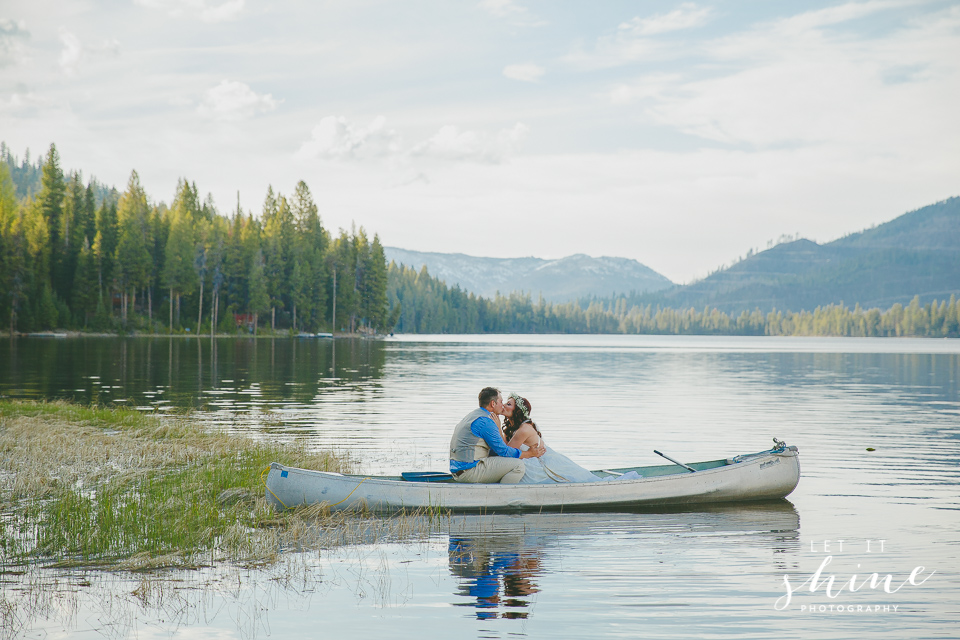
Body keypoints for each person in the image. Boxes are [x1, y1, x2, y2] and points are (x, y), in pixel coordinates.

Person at [450, 387, 545, 484]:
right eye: (501, 401)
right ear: (493, 403)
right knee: (518, 466)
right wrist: (530, 454)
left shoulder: (474, 415)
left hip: (459, 470)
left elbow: (496, 450)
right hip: (469, 472)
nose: (502, 405)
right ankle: (502, 495)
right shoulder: (486, 421)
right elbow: (504, 451)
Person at [503, 394, 604, 483]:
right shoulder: (516, 427)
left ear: (517, 411)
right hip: (538, 460)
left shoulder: (524, 429)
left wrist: (497, 426)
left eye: (508, 404)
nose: (503, 405)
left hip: (545, 464)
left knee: (578, 479)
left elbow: (506, 453)